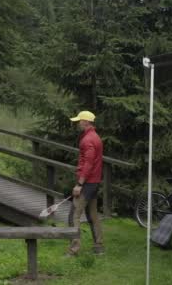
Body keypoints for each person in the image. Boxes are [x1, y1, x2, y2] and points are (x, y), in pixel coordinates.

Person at [68, 110, 104, 256]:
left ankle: (73, 250)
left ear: (86, 122)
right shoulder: (94, 137)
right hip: (94, 182)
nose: (77, 123)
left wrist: (80, 184)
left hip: (87, 183)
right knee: (93, 215)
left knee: (73, 216)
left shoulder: (88, 140)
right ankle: (99, 247)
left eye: (79, 121)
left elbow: (88, 164)